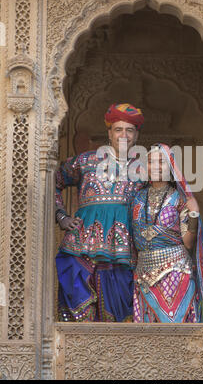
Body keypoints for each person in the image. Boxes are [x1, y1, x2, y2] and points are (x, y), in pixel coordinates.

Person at [55, 103, 144, 322]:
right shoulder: (85, 161)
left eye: (129, 130)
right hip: (81, 247)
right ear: (109, 133)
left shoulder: (145, 168)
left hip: (124, 252)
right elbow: (51, 180)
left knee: (121, 315)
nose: (124, 135)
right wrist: (61, 216)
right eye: (118, 129)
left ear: (137, 135)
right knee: (80, 305)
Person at [132, 143, 203, 323]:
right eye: (151, 162)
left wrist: (194, 214)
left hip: (175, 271)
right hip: (143, 273)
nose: (157, 167)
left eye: (162, 162)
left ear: (171, 167)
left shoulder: (180, 198)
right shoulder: (137, 197)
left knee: (175, 329)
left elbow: (188, 243)